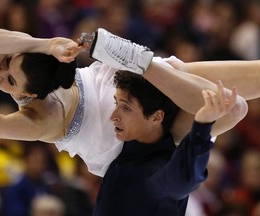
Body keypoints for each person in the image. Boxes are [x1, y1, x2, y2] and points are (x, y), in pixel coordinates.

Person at [0, 25, 247, 177]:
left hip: (120, 81)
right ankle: (140, 61)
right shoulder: (35, 122)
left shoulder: (43, 57)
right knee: (234, 107)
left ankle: (141, 62)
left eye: (7, 64)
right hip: (133, 134)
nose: (0, 73)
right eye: (10, 80)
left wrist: (46, 44)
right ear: (30, 95)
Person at [92, 70, 242, 216]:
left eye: (126, 108)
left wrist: (203, 125)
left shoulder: (158, 169)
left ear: (157, 117)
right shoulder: (126, 146)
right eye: (116, 103)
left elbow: (182, 181)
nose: (113, 116)